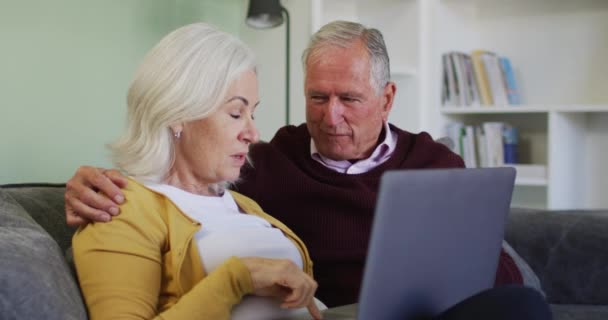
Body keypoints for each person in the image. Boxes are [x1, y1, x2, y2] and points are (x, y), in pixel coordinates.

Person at [66, 21, 551, 319]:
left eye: (350, 99)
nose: (330, 115)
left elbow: (486, 262)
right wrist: (89, 182)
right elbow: (162, 178)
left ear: (386, 100)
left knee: (518, 305)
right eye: (318, 98)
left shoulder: (435, 165)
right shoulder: (267, 166)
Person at [71, 23, 323, 320]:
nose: (253, 134)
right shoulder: (119, 209)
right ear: (178, 113)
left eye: (252, 113)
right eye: (235, 113)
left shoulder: (244, 205)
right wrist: (238, 279)